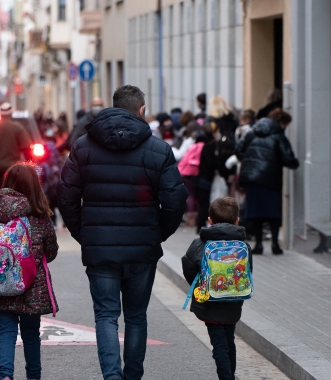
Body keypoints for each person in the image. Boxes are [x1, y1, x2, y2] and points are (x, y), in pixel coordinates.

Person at [57, 85, 188, 380]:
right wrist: (158, 233)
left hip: (100, 248)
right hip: (142, 248)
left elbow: (65, 195)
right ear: (142, 111)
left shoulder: (83, 147)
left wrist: (84, 233)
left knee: (105, 315)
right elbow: (175, 199)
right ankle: (132, 376)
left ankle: (112, 376)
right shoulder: (158, 149)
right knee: (136, 316)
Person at [0, 163, 59, 380]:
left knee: (5, 331)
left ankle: (5, 375)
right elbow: (51, 251)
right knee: (31, 335)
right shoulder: (38, 215)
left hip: (0, 281)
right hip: (31, 284)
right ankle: (33, 376)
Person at [181, 196, 253, 380]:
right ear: (237, 221)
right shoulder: (243, 245)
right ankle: (230, 374)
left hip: (210, 303)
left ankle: (226, 377)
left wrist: (200, 286)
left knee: (219, 344)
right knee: (229, 340)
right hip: (234, 301)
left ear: (210, 220)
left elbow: (188, 265)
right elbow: (248, 271)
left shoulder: (200, 244)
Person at [236, 108, 299, 254]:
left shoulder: (250, 133)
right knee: (273, 213)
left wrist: (249, 162)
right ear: (281, 122)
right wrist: (294, 163)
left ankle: (258, 244)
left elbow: (238, 150)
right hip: (271, 179)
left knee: (256, 212)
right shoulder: (278, 136)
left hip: (251, 178)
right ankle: (275, 245)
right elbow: (288, 158)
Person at [195, 117, 233, 232]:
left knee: (204, 203)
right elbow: (212, 162)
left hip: (202, 178)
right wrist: (223, 171)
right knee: (205, 204)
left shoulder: (203, 144)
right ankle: (200, 226)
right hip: (205, 179)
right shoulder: (209, 146)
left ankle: (200, 225)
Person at [0, 103, 32, 190]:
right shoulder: (18, 128)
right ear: (11, 114)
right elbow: (26, 147)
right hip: (13, 167)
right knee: (12, 191)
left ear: (0, 114)